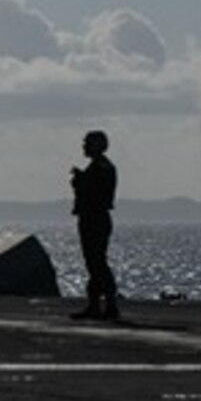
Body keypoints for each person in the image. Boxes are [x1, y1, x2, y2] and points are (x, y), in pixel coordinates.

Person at [70, 130, 119, 320]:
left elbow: (96, 193)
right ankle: (97, 305)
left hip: (95, 218)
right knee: (94, 263)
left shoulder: (102, 167)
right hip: (93, 217)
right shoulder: (100, 166)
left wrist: (80, 181)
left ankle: (107, 305)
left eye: (88, 143)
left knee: (97, 262)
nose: (84, 146)